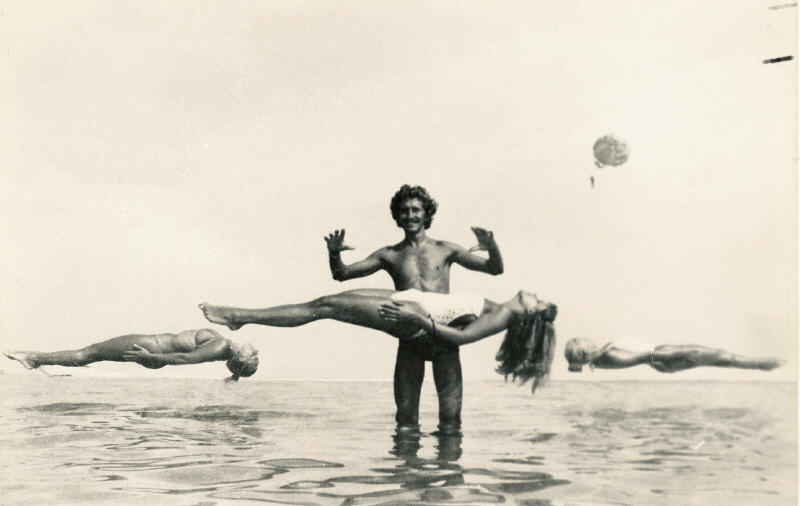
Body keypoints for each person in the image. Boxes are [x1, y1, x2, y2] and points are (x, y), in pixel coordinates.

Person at [324, 184, 505, 434]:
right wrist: (334, 254)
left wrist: (492, 248)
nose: (410, 215)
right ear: (397, 216)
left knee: (451, 423)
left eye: (416, 210)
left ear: (426, 213)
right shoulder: (389, 254)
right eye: (405, 210)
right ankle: (405, 460)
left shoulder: (445, 249)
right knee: (405, 423)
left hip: (444, 339)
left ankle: (448, 459)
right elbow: (342, 274)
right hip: (411, 341)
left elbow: (494, 269)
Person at [199, 288, 558, 400]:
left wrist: (419, 319)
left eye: (539, 301)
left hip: (411, 314)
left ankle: (239, 316)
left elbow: (461, 337)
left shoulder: (505, 315)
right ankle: (240, 316)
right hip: (410, 302)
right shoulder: (502, 309)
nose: (535, 294)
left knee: (324, 307)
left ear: (532, 314)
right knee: (325, 303)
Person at [4, 328, 259, 382]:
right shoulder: (223, 347)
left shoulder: (221, 346)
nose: (255, 349)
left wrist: (149, 356)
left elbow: (185, 359)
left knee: (88, 353)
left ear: (241, 357)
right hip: (152, 353)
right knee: (91, 354)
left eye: (253, 355)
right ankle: (36, 358)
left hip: (149, 349)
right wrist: (235, 376)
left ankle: (32, 358)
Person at [563, 337, 783, 373]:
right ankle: (770, 364)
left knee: (723, 359)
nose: (588, 338)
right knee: (724, 357)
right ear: (585, 351)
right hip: (666, 357)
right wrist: (682, 353)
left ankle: (767, 365)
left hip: (665, 355)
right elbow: (646, 357)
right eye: (584, 341)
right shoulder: (609, 356)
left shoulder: (602, 356)